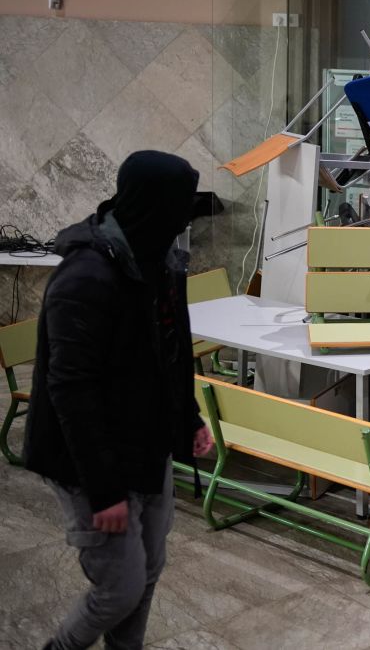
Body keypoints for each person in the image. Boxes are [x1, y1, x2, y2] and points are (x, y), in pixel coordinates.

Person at [24, 151, 213, 650]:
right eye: (179, 205)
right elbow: (71, 389)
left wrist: (189, 418)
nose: (185, 218)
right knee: (119, 588)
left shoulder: (165, 262)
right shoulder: (85, 277)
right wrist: (104, 490)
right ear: (152, 205)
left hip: (146, 443)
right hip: (90, 455)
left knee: (148, 571)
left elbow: (173, 351)